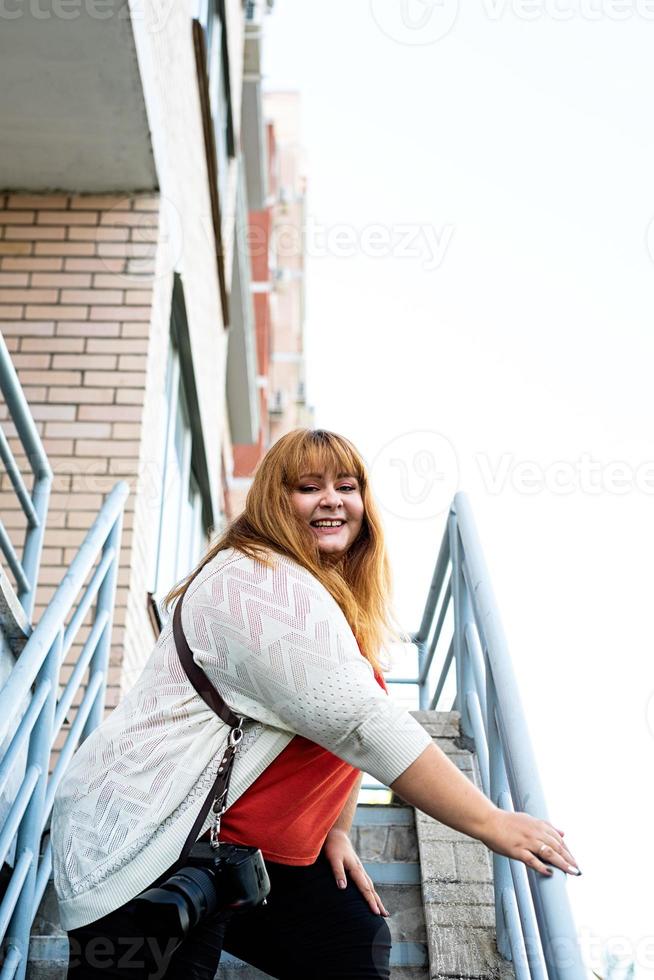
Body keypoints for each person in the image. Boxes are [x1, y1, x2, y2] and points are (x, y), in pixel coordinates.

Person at [51, 428, 580, 980]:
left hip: (226, 852)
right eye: (309, 486)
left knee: (347, 935)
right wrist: (491, 822)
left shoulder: (325, 602)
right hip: (144, 846)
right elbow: (360, 724)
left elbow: (343, 729)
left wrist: (337, 830)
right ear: (275, 502)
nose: (332, 499)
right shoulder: (260, 582)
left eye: (347, 486)